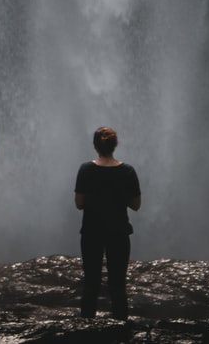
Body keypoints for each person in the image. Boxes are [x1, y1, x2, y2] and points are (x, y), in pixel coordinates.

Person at [74, 126, 141, 321]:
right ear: (115, 145)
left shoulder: (85, 169)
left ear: (95, 146)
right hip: (118, 232)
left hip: (92, 232)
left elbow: (79, 203)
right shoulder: (128, 171)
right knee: (118, 284)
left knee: (91, 283)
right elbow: (136, 205)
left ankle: (87, 332)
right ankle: (121, 331)